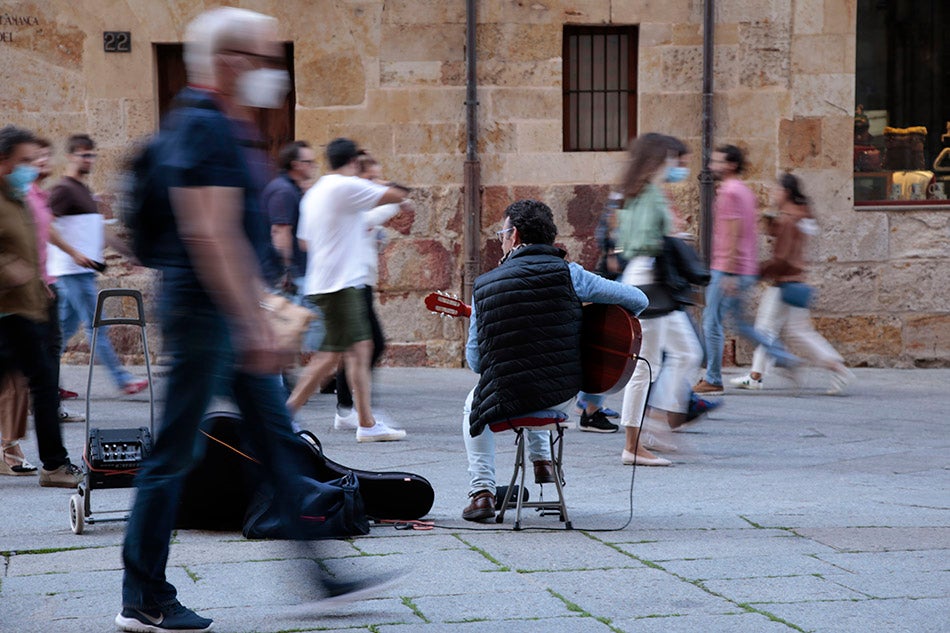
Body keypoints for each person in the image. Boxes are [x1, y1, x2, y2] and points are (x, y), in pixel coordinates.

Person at [118, 10, 395, 633]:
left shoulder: (229, 131)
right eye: (263, 59)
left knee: (278, 441)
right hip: (205, 315)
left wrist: (255, 314)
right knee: (174, 452)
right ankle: (143, 595)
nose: (272, 73)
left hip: (227, 313)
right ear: (229, 62)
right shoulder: (203, 128)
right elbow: (209, 234)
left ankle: (321, 577)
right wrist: (250, 321)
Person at [461, 199, 648, 522]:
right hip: (562, 395)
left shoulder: (484, 286)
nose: (501, 241)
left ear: (514, 235)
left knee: (472, 408)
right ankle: (543, 463)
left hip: (506, 396)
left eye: (501, 235)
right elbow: (638, 300)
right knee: (539, 378)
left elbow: (476, 362)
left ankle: (482, 494)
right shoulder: (570, 275)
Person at [286, 138, 411, 442]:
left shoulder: (316, 192)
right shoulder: (346, 186)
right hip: (340, 285)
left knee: (359, 349)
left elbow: (304, 242)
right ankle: (282, 417)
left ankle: (366, 422)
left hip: (328, 282)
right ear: (353, 162)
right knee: (330, 357)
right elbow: (398, 195)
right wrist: (375, 180)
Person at [0, 124, 83, 488]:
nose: (32, 167)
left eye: (34, 160)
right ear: (3, 162)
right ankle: (50, 463)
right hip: (6, 311)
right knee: (38, 382)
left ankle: (54, 465)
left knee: (45, 383)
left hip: (28, 308)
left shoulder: (20, 198)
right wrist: (7, 269)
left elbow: (31, 246)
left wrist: (38, 283)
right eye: (24, 161)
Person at [614, 134, 703, 466]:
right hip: (651, 281)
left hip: (646, 279)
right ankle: (633, 444)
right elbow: (654, 239)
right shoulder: (651, 195)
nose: (674, 165)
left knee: (687, 352)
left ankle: (653, 427)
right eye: (669, 159)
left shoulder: (632, 193)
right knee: (644, 368)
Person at [730, 173, 855, 394]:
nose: (773, 194)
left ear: (785, 192)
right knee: (790, 331)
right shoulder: (800, 216)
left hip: (784, 281)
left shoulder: (789, 219)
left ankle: (834, 366)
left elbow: (782, 257)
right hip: (794, 280)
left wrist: (757, 272)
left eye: (776, 190)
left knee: (772, 330)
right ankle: (757, 376)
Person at [48, 133, 148, 396]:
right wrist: (72, 253)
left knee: (62, 332)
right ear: (70, 156)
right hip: (73, 272)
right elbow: (44, 226)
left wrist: (130, 254)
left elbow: (101, 233)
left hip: (80, 273)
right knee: (97, 326)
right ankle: (123, 379)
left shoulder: (83, 192)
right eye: (84, 155)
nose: (89, 159)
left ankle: (45, 382)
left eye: (92, 154)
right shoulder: (63, 190)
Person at [694, 144, 798, 396]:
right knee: (740, 323)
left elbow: (733, 232)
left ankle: (713, 379)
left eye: (717, 162)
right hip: (745, 268)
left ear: (731, 165)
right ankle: (782, 356)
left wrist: (728, 272)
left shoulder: (729, 191)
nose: (711, 166)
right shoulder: (745, 191)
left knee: (711, 322)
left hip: (729, 268)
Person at [331, 151, 398, 430]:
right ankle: (353, 409)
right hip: (351, 283)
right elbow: (375, 216)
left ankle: (351, 409)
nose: (374, 184)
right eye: (368, 178)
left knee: (354, 348)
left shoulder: (359, 207)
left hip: (361, 282)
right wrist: (393, 196)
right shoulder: (353, 207)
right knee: (367, 345)